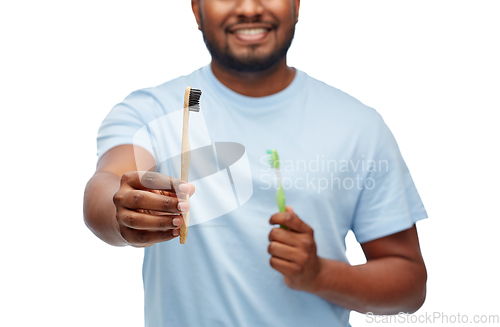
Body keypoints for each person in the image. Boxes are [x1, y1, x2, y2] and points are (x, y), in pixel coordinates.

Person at [83, 0, 428, 326]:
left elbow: (409, 285)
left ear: (296, 5)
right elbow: (107, 183)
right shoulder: (151, 110)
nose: (249, 8)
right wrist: (123, 212)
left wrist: (320, 274)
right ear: (196, 9)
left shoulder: (359, 126)